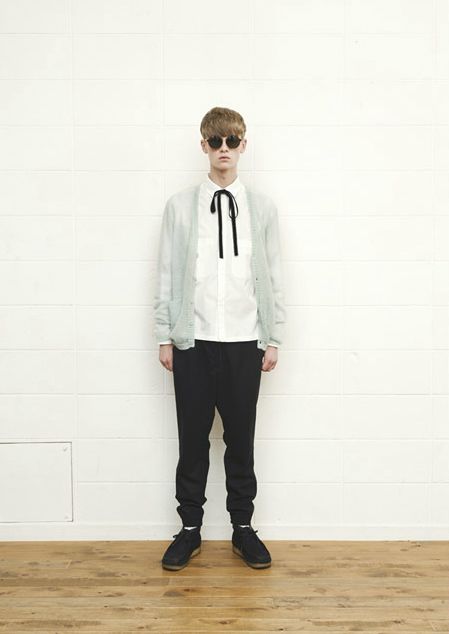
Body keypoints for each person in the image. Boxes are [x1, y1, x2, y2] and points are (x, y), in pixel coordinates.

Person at [153, 106, 287, 570]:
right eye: (215, 141)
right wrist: (165, 335)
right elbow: (167, 273)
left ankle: (242, 528)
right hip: (193, 342)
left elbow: (274, 276)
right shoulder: (180, 206)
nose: (223, 149)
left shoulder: (261, 208)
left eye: (231, 141)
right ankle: (189, 528)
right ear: (204, 146)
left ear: (243, 145)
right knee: (191, 439)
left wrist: (273, 337)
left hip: (246, 342)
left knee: (241, 440)